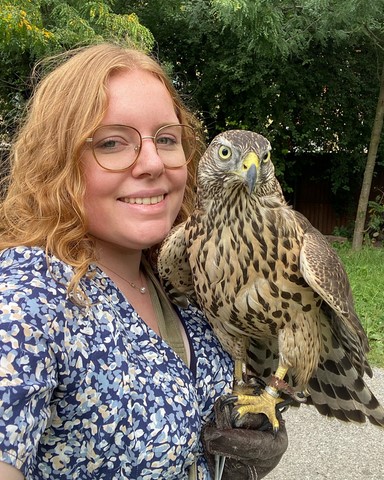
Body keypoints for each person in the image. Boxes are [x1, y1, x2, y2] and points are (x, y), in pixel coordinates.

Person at [0, 43, 287, 479]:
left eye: (167, 139)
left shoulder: (184, 272)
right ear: (59, 161)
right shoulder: (26, 296)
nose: (152, 163)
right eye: (113, 142)